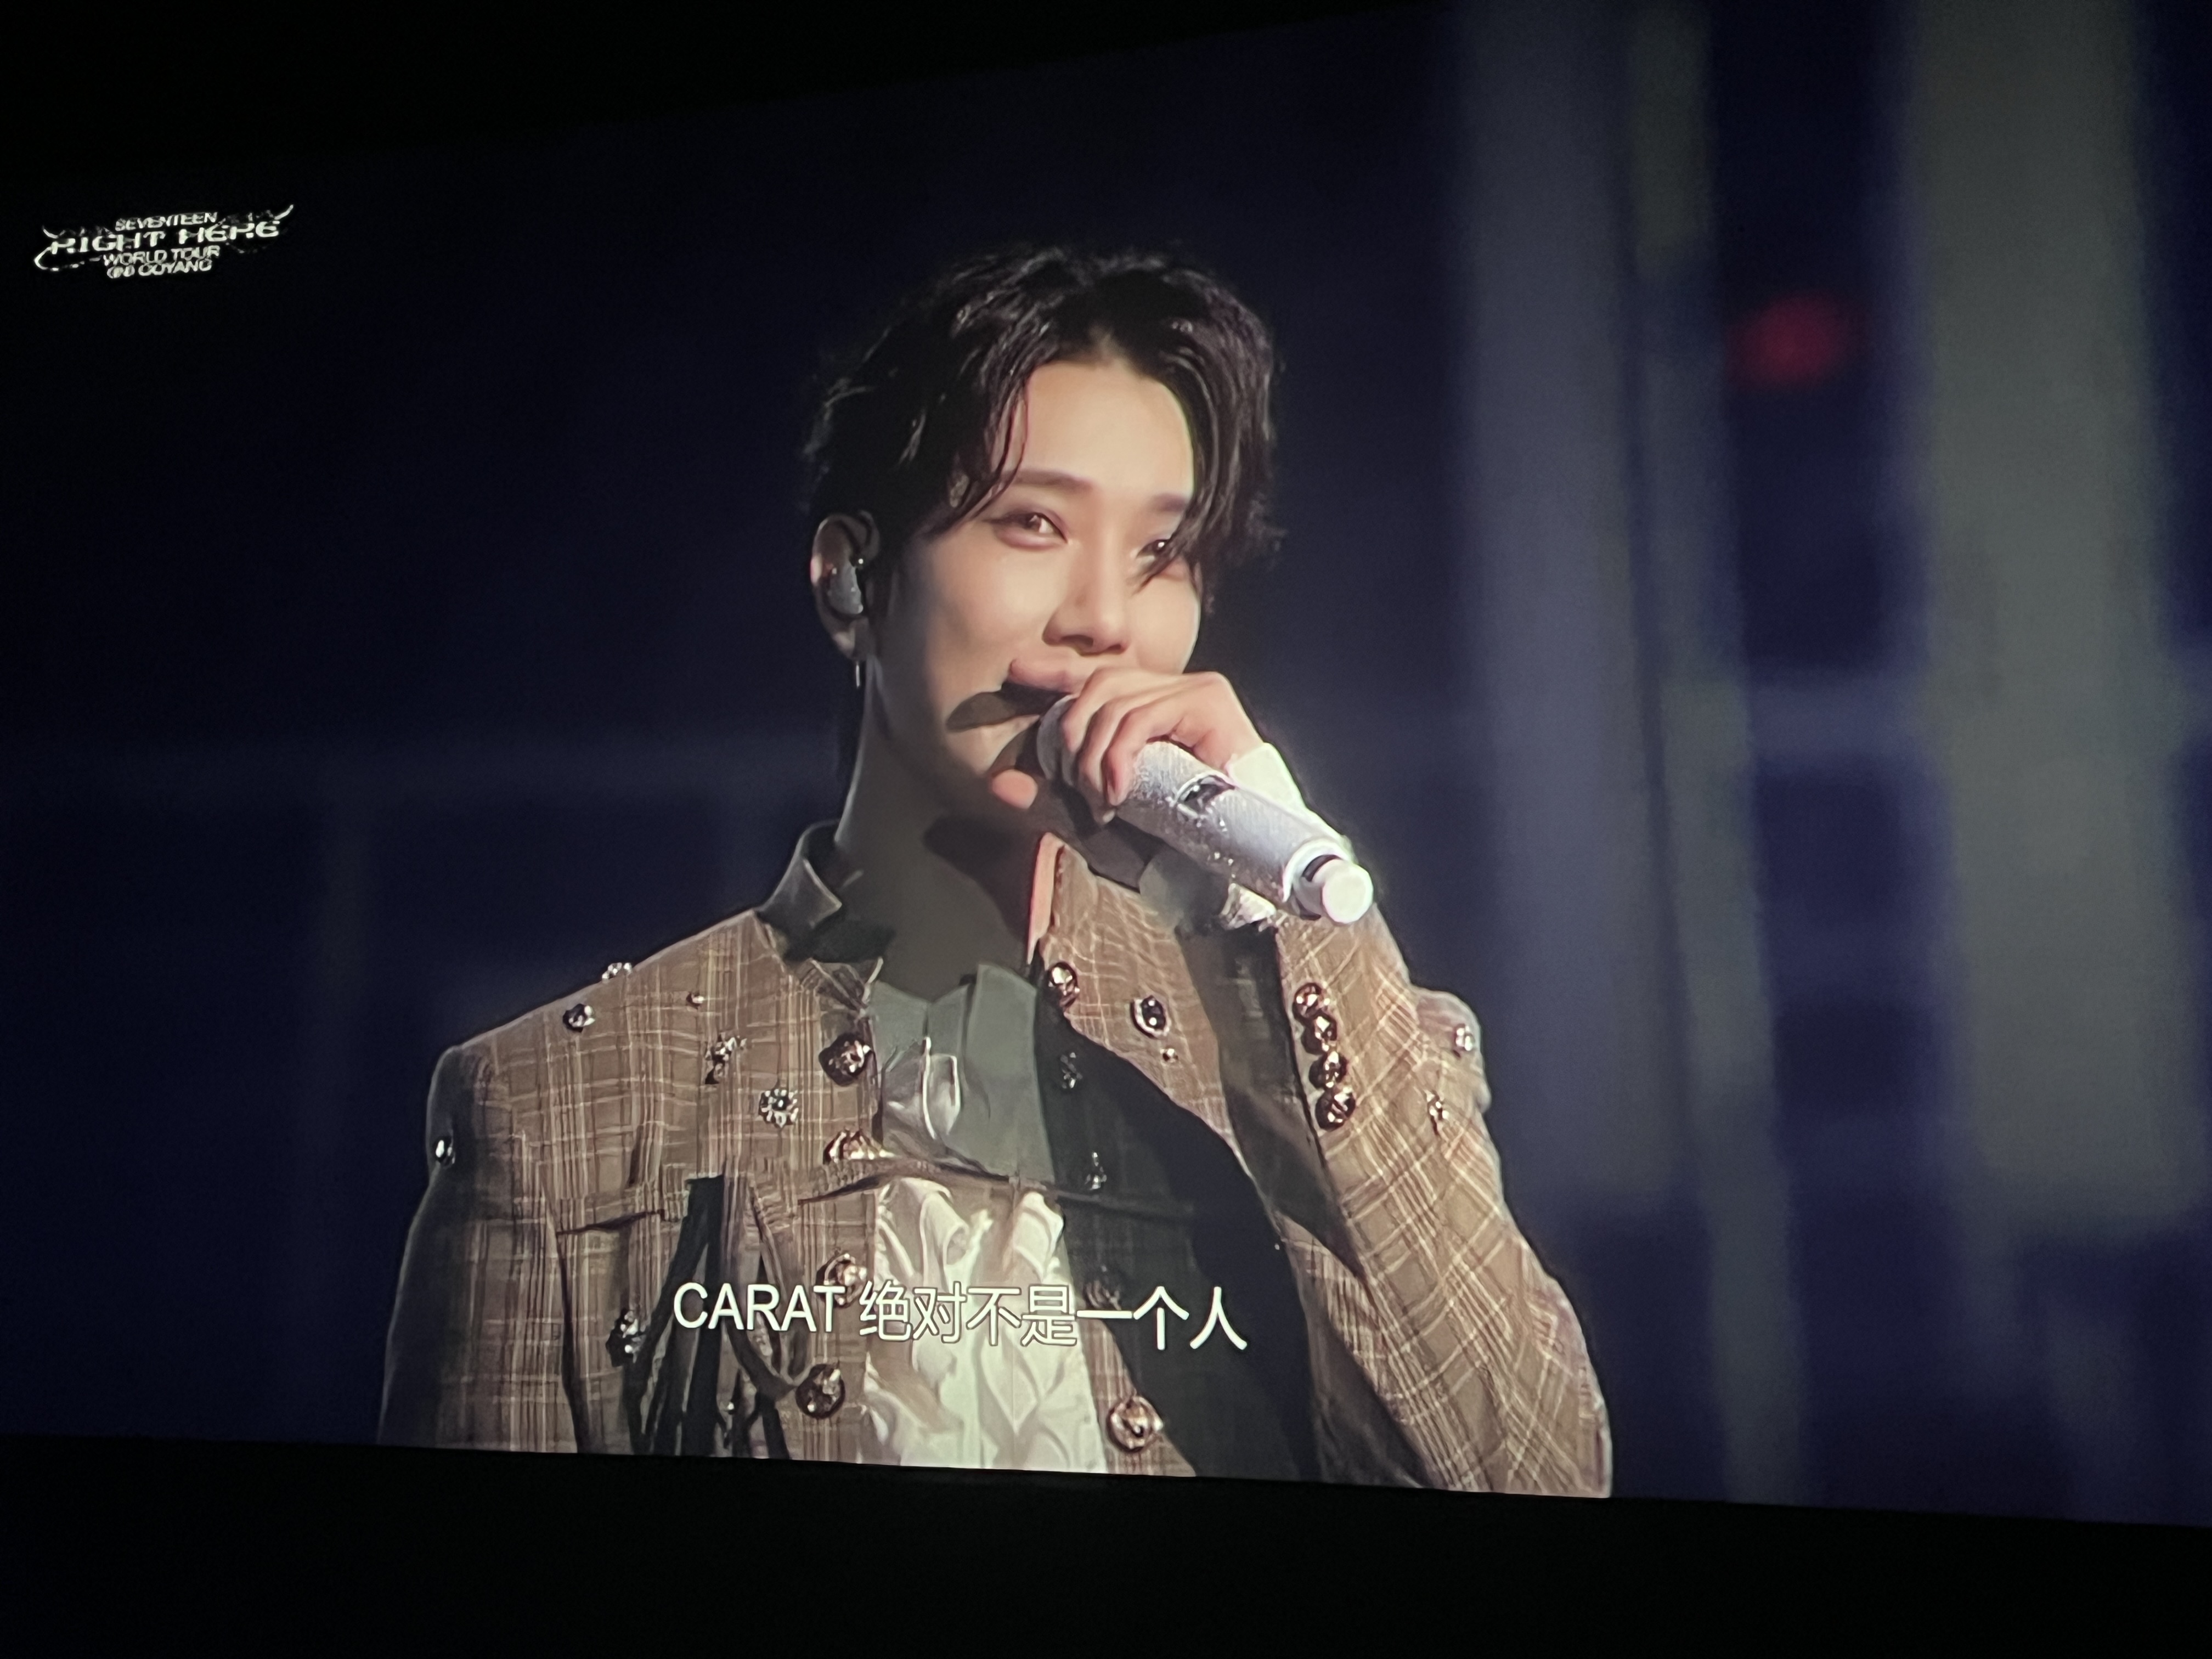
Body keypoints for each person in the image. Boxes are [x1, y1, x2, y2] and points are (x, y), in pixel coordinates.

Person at [380, 245, 1610, 1492]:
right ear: (851, 582)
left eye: (1162, 553)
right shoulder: (557, 1109)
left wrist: (1267, 929)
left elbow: (1539, 1478)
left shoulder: (1344, 1049)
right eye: (1034, 523)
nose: (1104, 619)